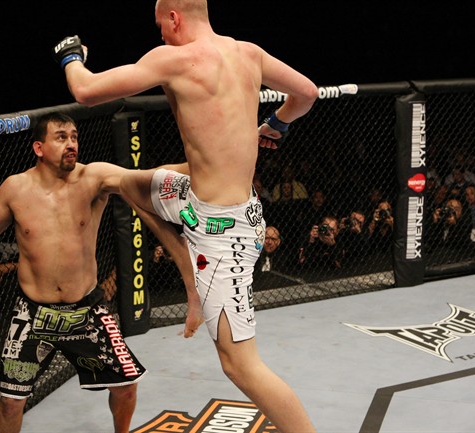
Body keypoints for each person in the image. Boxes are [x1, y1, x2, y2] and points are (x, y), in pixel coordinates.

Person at [53, 1, 318, 431]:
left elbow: (85, 91)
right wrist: (277, 124)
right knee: (128, 183)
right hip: (198, 198)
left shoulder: (174, 59)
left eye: (160, 25)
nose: (159, 35)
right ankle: (193, 285)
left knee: (240, 365)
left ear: (174, 18)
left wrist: (70, 56)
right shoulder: (249, 53)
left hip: (223, 231)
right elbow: (306, 93)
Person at [0, 113, 146, 433]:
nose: (71, 144)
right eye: (61, 137)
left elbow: (143, 178)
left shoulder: (93, 177)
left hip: (86, 308)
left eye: (74, 137)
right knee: (10, 400)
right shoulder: (15, 188)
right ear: (39, 148)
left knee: (126, 385)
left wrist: (200, 166)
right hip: (32, 312)